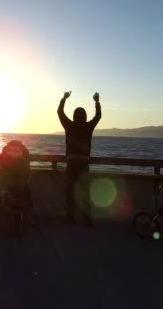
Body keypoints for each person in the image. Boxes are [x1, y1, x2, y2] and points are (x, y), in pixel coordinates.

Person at [57, 91, 101, 225]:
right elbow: (98, 116)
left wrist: (64, 98)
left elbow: (60, 112)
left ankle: (70, 218)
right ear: (85, 116)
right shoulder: (88, 126)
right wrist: (96, 102)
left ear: (74, 116)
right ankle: (87, 219)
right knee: (85, 193)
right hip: (83, 163)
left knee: (70, 192)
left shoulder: (69, 125)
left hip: (71, 163)